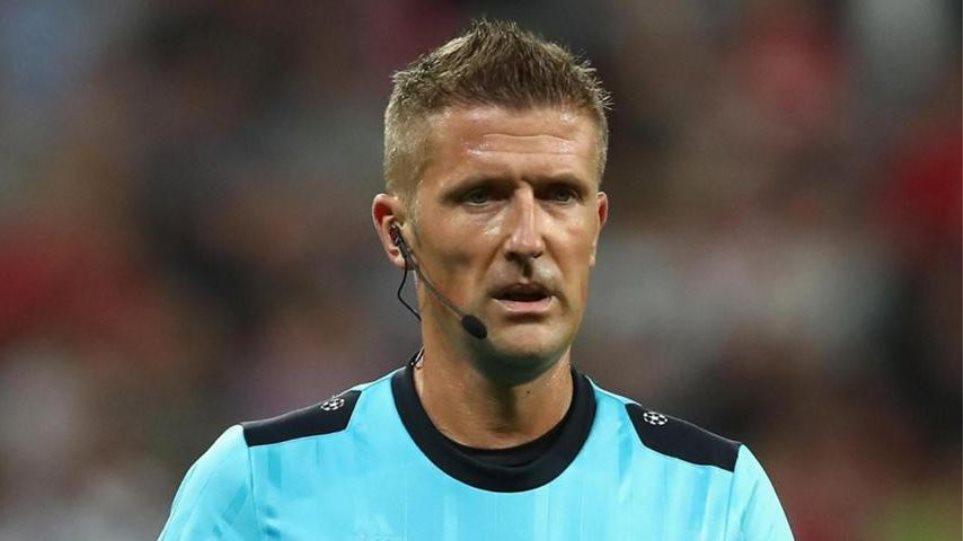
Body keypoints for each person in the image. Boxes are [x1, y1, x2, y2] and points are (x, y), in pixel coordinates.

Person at [158, 19, 793, 540]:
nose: (527, 239)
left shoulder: (715, 500)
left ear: (596, 227)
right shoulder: (258, 488)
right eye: (482, 196)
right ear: (396, 233)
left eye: (560, 195)